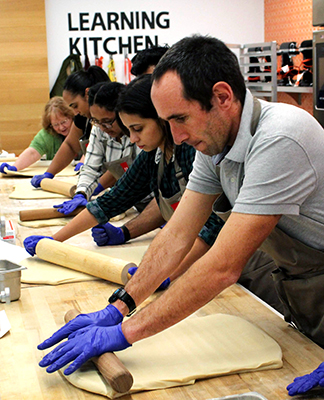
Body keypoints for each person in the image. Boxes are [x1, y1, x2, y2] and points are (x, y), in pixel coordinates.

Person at [29, 34, 324, 385]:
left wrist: (126, 333)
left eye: (180, 118)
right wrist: (120, 305)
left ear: (222, 97)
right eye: (167, 121)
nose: (176, 136)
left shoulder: (279, 138)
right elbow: (177, 232)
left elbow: (222, 266)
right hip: (301, 285)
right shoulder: (213, 143)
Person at [24, 73, 222, 281]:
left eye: (138, 129)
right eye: (129, 130)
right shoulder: (153, 155)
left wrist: (167, 274)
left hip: (218, 257)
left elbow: (212, 229)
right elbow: (114, 199)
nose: (134, 139)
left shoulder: (192, 153)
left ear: (161, 118)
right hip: (189, 256)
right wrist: (54, 240)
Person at [53, 81, 152, 215]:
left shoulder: (140, 136)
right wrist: (82, 193)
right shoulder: (99, 129)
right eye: (96, 121)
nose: (102, 128)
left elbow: (138, 181)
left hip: (154, 205)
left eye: (107, 122)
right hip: (132, 205)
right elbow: (90, 168)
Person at [30, 66, 110, 189]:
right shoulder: (84, 117)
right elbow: (70, 145)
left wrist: (94, 188)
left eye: (75, 105)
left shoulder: (115, 120)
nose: (75, 112)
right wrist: (49, 173)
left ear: (87, 94)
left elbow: (120, 165)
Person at [0, 97, 74, 174]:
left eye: (64, 122)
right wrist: (15, 167)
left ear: (71, 116)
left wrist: (81, 164)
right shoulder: (48, 134)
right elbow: (32, 153)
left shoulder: (80, 128)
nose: (61, 127)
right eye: (56, 124)